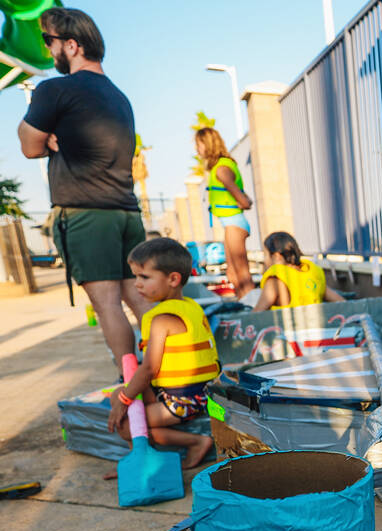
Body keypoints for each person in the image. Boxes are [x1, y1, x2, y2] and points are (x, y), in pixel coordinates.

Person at [17, 7, 150, 368]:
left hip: (85, 215)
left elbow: (29, 145)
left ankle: (134, 395)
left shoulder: (54, 90)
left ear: (72, 45)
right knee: (140, 299)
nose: (48, 51)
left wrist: (47, 140)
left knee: (107, 305)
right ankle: (177, 376)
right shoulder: (120, 98)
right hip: (126, 212)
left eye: (50, 41)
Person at [106, 238, 217, 470]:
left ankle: (196, 441)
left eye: (144, 277)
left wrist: (126, 400)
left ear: (173, 279)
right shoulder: (190, 306)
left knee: (126, 426)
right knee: (118, 394)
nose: (137, 284)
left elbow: (150, 369)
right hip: (192, 389)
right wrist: (123, 394)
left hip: (184, 399)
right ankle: (140, 454)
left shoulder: (162, 320)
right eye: (135, 276)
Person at [194, 127, 254, 298]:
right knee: (232, 275)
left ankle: (254, 310)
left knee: (242, 274)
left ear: (208, 144)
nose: (197, 150)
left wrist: (242, 202)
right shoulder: (219, 168)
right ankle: (245, 304)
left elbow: (244, 201)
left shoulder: (221, 169)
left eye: (199, 145)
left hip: (235, 223)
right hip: (229, 224)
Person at [253, 231, 343, 311]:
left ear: (277, 257)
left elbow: (257, 314)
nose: (264, 260)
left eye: (265, 255)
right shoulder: (312, 272)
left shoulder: (275, 280)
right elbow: (340, 302)